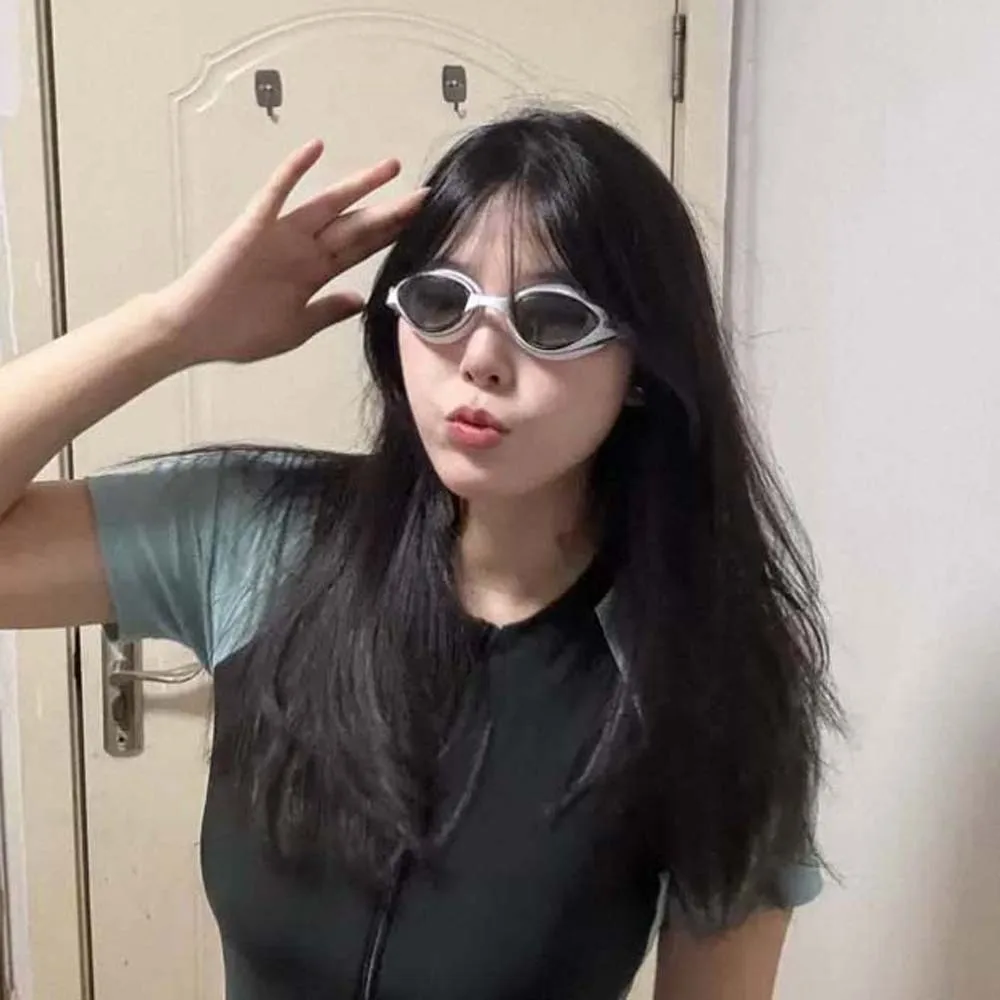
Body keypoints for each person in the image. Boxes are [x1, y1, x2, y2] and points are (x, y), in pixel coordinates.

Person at [0, 108, 842, 1000]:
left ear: (642, 367)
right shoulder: (260, 537)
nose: (480, 357)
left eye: (553, 317)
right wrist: (172, 328)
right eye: (443, 301)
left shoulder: (710, 669)